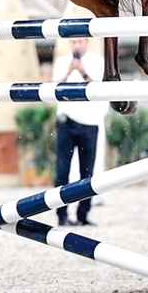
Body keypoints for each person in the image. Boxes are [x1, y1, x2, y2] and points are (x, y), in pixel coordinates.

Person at [52, 36, 106, 225]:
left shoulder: (98, 62)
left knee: (87, 171)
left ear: (86, 42)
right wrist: (69, 71)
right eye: (73, 42)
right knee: (62, 170)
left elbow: (99, 89)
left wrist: (83, 72)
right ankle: (61, 215)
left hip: (90, 122)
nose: (77, 45)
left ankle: (83, 214)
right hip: (66, 121)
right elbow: (55, 88)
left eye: (80, 41)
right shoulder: (61, 62)